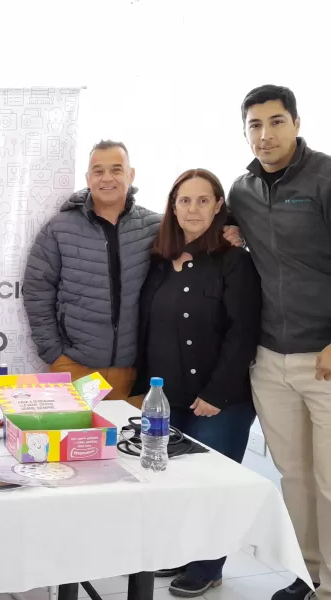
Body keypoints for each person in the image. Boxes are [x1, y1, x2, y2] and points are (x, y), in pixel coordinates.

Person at [133, 168, 261, 597]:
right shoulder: (158, 261)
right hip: (168, 399)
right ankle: (182, 553)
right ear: (172, 206)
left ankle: (208, 565)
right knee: (176, 482)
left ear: (218, 206)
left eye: (203, 200)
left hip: (219, 400)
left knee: (213, 485)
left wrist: (216, 393)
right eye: (184, 200)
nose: (192, 209)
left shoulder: (234, 261)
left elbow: (243, 332)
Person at [227, 84, 331, 600]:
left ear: (295, 122)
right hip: (270, 357)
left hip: (326, 357)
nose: (264, 135)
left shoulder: (326, 177)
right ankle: (306, 572)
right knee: (293, 476)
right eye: (254, 125)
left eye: (275, 122)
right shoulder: (241, 191)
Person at [23, 140, 161, 403]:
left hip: (137, 374)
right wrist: (54, 353)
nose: (107, 178)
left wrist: (232, 230)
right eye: (98, 171)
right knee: (73, 444)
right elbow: (36, 289)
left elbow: (200, 234)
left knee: (126, 443)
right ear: (88, 178)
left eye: (116, 170)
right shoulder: (59, 229)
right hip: (75, 368)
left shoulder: (156, 227)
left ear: (131, 175)